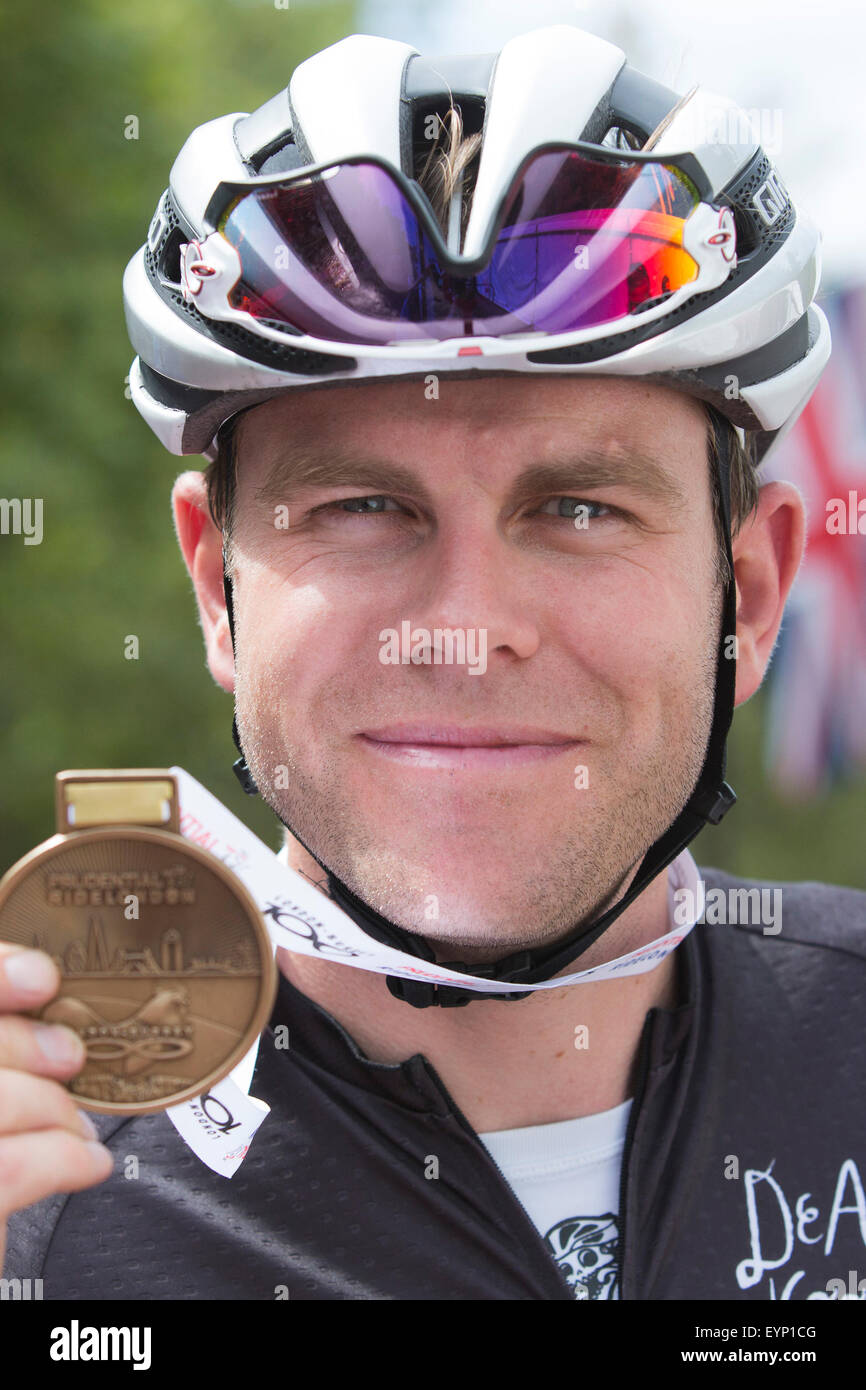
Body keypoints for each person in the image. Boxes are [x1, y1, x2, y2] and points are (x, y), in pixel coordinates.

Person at [3, 24, 864, 1303]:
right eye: (360, 507)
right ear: (216, 594)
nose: (465, 627)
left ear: (745, 596)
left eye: (578, 509)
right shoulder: (42, 1218)